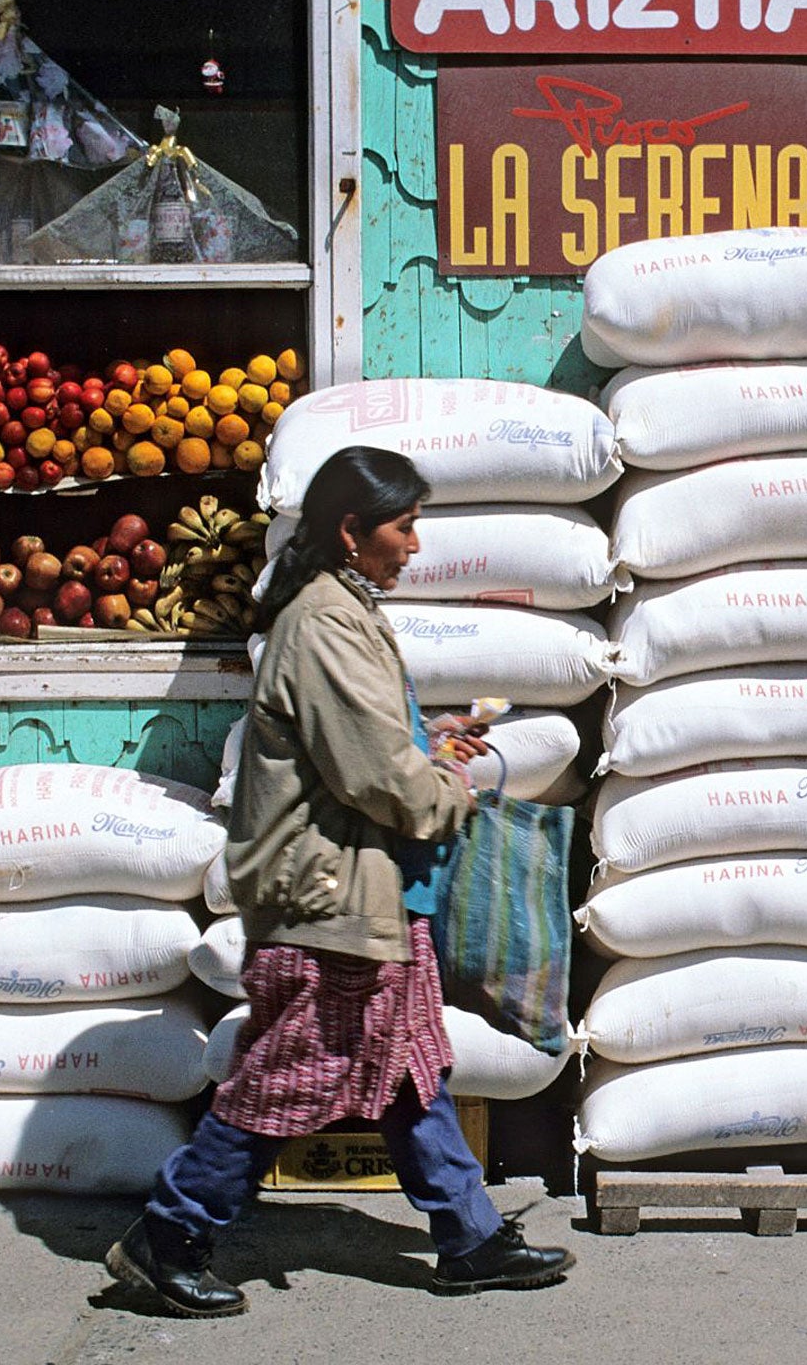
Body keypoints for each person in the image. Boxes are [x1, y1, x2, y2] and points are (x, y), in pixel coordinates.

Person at [107, 446, 574, 1316]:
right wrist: (446, 790)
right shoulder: (325, 623)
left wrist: (419, 736)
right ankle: (166, 1236)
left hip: (366, 893)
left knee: (408, 1067)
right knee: (292, 1074)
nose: (416, 545)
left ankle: (468, 1236)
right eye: (404, 526)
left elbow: (364, 742)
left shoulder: (340, 612)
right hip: (330, 901)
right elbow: (378, 779)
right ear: (353, 533)